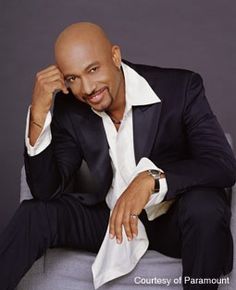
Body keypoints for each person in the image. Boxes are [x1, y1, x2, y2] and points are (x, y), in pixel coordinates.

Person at [0, 22, 235, 290]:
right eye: (72, 79)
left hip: (173, 221)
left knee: (204, 204)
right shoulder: (70, 108)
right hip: (111, 222)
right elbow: (46, 191)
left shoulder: (180, 88)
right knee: (35, 214)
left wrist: (152, 180)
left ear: (114, 56)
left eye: (92, 69)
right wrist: (39, 113)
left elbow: (222, 164)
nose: (86, 88)